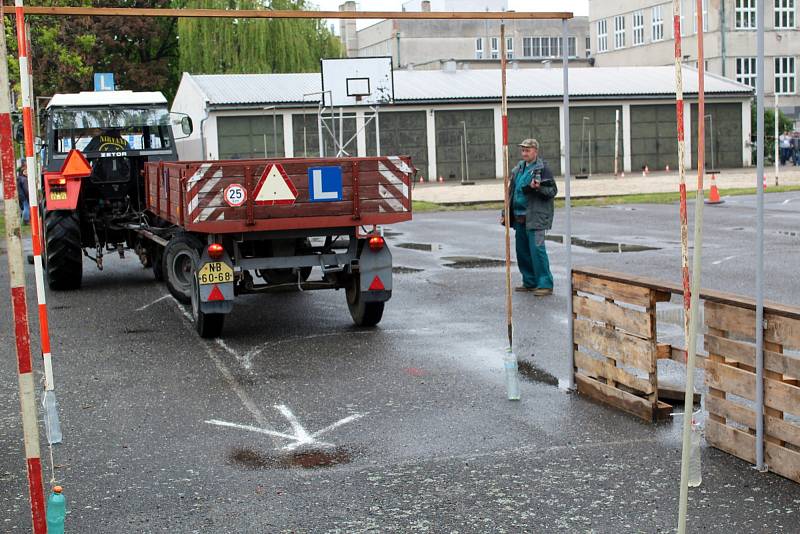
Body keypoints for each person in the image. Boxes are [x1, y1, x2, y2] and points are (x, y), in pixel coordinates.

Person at [502, 138, 557, 296]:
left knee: (537, 250)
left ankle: (545, 284)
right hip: (518, 217)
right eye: (523, 150)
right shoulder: (518, 169)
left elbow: (552, 192)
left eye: (528, 150)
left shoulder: (543, 169)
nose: (524, 153)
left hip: (536, 217)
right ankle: (530, 282)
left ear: (535, 151)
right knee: (522, 251)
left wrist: (538, 187)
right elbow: (510, 193)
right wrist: (504, 213)